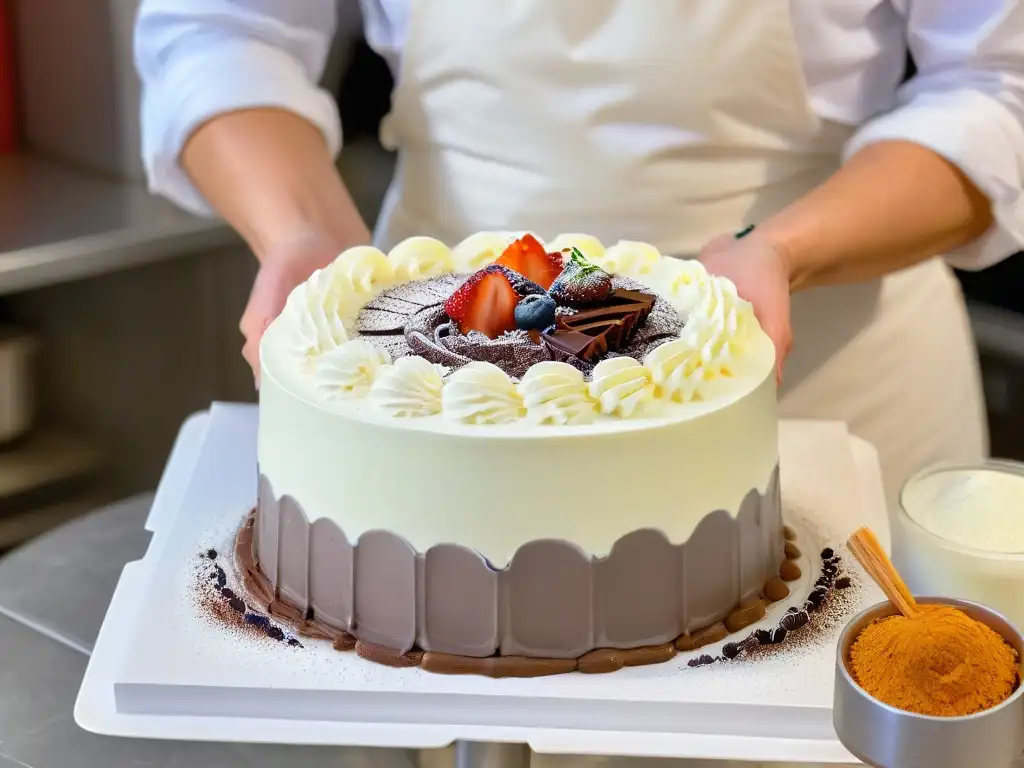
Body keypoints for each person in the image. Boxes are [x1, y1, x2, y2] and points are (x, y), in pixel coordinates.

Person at [135, 3, 1022, 764]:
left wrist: (781, 251)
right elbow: (217, 28)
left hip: (832, 362)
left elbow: (996, 86)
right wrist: (312, 244)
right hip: (419, 368)